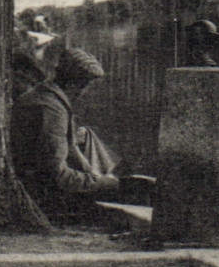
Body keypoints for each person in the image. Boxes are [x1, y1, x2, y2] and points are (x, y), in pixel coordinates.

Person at [10, 48, 132, 222]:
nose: (85, 92)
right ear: (75, 84)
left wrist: (93, 175)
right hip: (40, 194)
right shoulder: (52, 110)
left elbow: (71, 148)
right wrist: (110, 184)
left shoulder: (46, 96)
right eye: (86, 85)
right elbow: (57, 176)